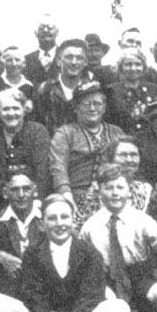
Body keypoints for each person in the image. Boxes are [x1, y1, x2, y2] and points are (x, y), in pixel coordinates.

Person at [0, 194, 131, 312]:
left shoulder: (89, 252)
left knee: (120, 309)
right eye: (52, 218)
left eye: (64, 217)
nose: (60, 223)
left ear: (73, 221)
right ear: (42, 224)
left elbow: (91, 294)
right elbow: (33, 294)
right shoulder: (32, 253)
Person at [79, 164, 157, 312]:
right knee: (111, 304)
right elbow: (81, 256)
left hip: (138, 275)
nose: (115, 193)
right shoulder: (91, 226)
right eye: (109, 188)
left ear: (129, 190)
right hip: (108, 277)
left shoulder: (140, 219)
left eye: (120, 187)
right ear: (99, 191)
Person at [48, 81, 124, 226]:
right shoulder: (65, 133)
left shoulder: (116, 132)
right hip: (76, 198)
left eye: (97, 103)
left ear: (104, 107)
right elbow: (58, 167)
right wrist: (66, 195)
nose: (92, 108)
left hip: (112, 196)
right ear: (76, 108)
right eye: (86, 104)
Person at [0, 88, 50, 214]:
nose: (11, 113)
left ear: (24, 109)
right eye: (6, 109)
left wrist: (38, 200)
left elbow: (42, 172)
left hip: (31, 199)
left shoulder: (37, 132)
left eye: (16, 108)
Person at [0, 172, 44, 297]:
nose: (21, 195)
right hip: (10, 293)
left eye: (26, 189)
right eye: (15, 190)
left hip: (44, 290)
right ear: (5, 193)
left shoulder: (47, 218)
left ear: (35, 191)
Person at [31, 38, 91, 135]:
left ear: (85, 62)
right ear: (59, 60)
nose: (74, 62)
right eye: (69, 57)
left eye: (79, 58)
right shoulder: (44, 90)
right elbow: (36, 126)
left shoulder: (92, 90)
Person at [105, 136, 157, 221]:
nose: (129, 160)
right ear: (111, 159)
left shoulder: (145, 191)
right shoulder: (98, 190)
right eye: (123, 155)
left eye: (134, 155)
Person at [105, 48, 157, 133]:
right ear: (121, 67)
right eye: (128, 64)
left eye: (138, 64)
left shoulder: (154, 90)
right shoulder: (111, 91)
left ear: (144, 67)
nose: (133, 68)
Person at [23, 14, 60, 86]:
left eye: (50, 27)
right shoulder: (26, 60)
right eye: (41, 28)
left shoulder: (66, 57)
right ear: (35, 33)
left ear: (57, 32)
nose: (45, 30)